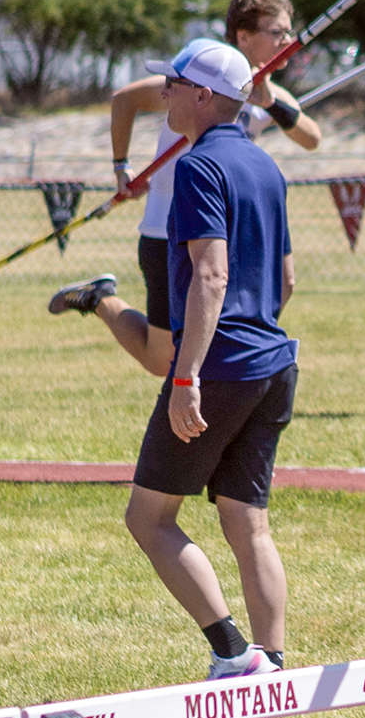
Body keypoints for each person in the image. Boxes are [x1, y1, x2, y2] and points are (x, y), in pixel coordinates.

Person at [124, 40, 299, 681]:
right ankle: (273, 662)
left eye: (172, 82)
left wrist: (187, 375)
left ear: (203, 95)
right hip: (274, 360)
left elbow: (211, 275)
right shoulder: (265, 166)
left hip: (221, 364)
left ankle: (231, 651)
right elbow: (285, 278)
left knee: (148, 517)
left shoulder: (198, 167)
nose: (163, 92)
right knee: (247, 521)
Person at [48, 0, 322, 372]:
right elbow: (124, 99)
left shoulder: (266, 93)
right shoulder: (195, 76)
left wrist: (270, 102)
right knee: (163, 361)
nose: (287, 41)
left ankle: (238, 368)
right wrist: (121, 167)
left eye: (289, 32)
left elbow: (311, 137)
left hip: (227, 226)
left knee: (282, 284)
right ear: (244, 36)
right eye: (277, 32)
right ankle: (99, 298)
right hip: (169, 228)